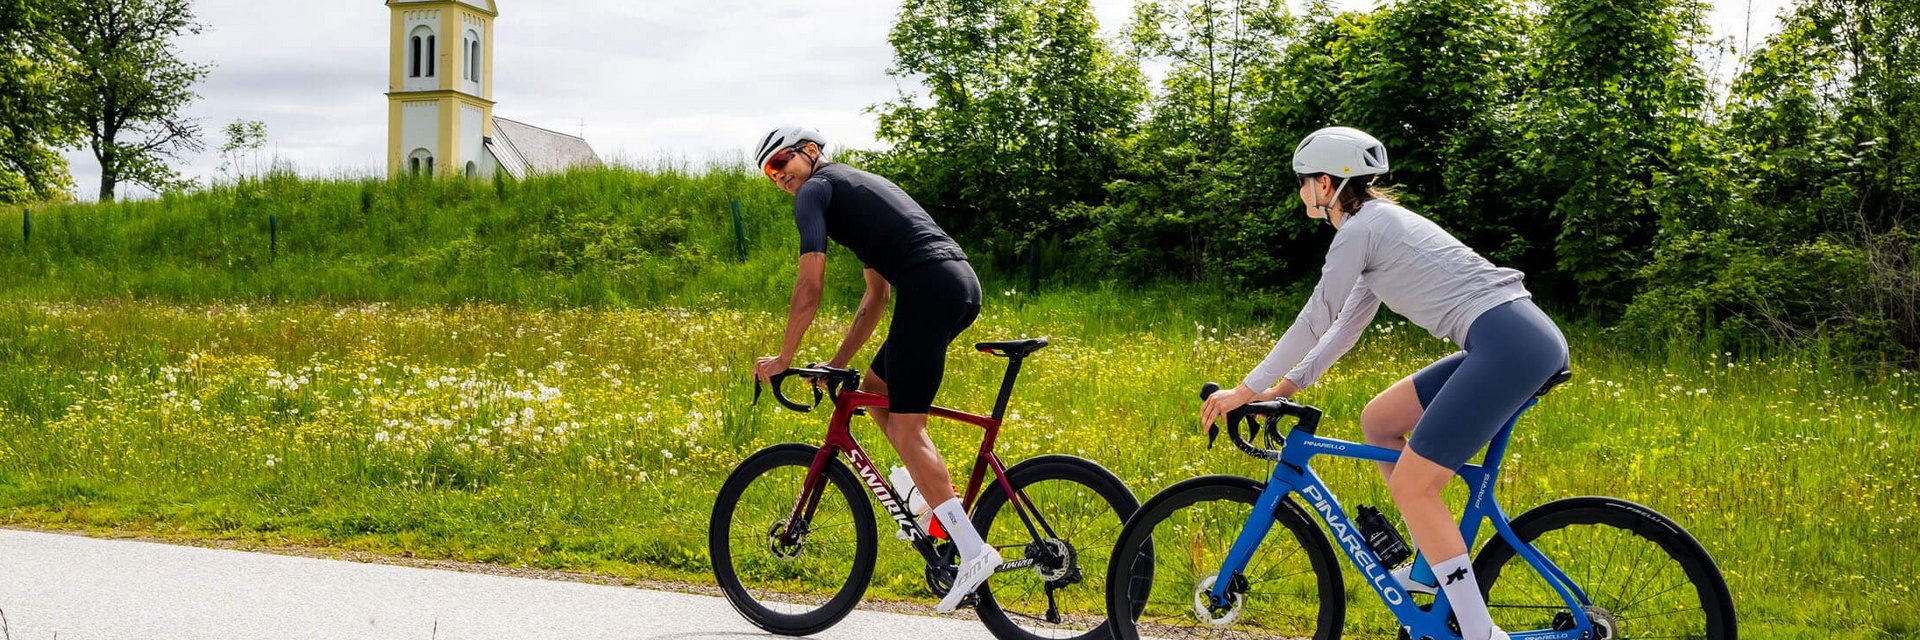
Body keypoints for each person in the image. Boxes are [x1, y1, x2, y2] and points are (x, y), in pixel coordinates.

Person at [1198, 126, 1569, 640]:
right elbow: (1344, 325)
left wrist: (1244, 388)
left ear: (1326, 185)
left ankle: (1480, 632)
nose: (1301, 192)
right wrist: (1287, 386)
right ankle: (1429, 570)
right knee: (1380, 420)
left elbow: (1314, 317)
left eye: (1304, 181)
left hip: (1510, 343)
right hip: (1505, 338)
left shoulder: (1360, 231)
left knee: (1417, 487)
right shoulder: (1375, 230)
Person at [748, 125, 997, 614]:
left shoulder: (816, 192)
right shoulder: (852, 193)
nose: (778, 177)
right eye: (769, 173)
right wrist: (837, 365)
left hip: (930, 286)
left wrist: (784, 358)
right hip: (956, 284)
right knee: (876, 387)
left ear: (811, 152)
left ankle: (972, 552)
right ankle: (918, 487)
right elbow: (876, 297)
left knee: (907, 424)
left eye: (781, 163)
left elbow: (809, 285)